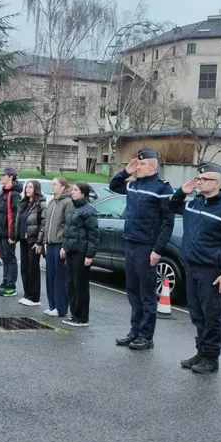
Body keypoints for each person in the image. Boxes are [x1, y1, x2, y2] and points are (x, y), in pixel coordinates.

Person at [168, 163, 221, 373]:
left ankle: (211, 358)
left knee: (211, 315)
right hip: (192, 266)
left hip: (212, 271)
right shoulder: (195, 203)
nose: (199, 182)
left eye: (204, 179)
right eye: (198, 179)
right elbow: (172, 207)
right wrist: (182, 192)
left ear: (217, 183)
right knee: (197, 313)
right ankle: (201, 352)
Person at [109, 148, 174, 351]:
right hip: (131, 242)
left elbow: (168, 222)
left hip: (147, 246)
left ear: (153, 167)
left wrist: (158, 249)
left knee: (146, 294)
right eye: (137, 163)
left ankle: (146, 336)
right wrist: (125, 172)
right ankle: (135, 331)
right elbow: (114, 186)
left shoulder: (162, 188)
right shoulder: (134, 184)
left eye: (142, 164)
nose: (138, 167)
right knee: (132, 291)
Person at [61, 182, 100, 327]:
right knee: (71, 284)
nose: (72, 192)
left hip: (81, 252)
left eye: (75, 190)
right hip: (71, 250)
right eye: (72, 189)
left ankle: (82, 317)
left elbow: (94, 234)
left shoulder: (89, 210)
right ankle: (74, 315)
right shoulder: (72, 208)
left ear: (82, 193)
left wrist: (90, 255)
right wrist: (64, 246)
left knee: (80, 285)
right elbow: (67, 230)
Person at [41, 177, 72, 317]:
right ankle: (52, 305)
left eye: (55, 184)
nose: (52, 186)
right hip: (50, 243)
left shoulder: (67, 203)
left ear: (63, 187)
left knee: (60, 277)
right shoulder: (52, 202)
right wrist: (44, 241)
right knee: (50, 276)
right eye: (51, 184)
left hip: (59, 243)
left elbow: (68, 225)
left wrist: (65, 245)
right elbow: (47, 224)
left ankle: (61, 308)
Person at [0, 167, 21, 296]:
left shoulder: (14, 194)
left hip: (8, 233)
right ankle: (5, 282)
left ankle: (11, 286)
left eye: (3, 175)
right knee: (3, 257)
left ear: (11, 176)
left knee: (10, 258)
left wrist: (12, 234)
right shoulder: (3, 192)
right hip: (0, 231)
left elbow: (15, 216)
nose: (1, 177)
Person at [18, 180, 47, 307]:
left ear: (36, 189)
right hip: (23, 239)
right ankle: (27, 294)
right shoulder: (24, 203)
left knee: (33, 268)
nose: (27, 189)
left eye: (30, 187)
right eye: (27, 187)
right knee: (24, 267)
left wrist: (39, 241)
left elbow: (43, 224)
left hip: (34, 240)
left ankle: (34, 297)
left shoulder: (41, 204)